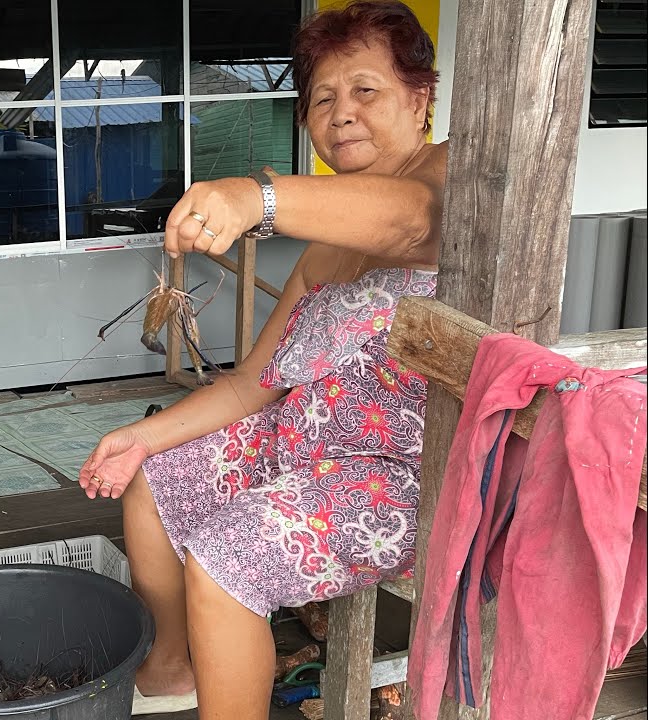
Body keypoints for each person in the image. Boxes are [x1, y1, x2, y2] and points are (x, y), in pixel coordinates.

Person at [76, 2, 446, 717]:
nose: (341, 113)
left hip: (407, 479)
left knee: (225, 558)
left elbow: (413, 222)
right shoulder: (325, 247)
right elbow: (254, 382)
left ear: (419, 97)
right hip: (300, 452)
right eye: (322, 100)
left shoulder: (450, 174)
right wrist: (139, 436)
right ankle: (169, 669)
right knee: (153, 476)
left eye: (365, 90)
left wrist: (256, 197)